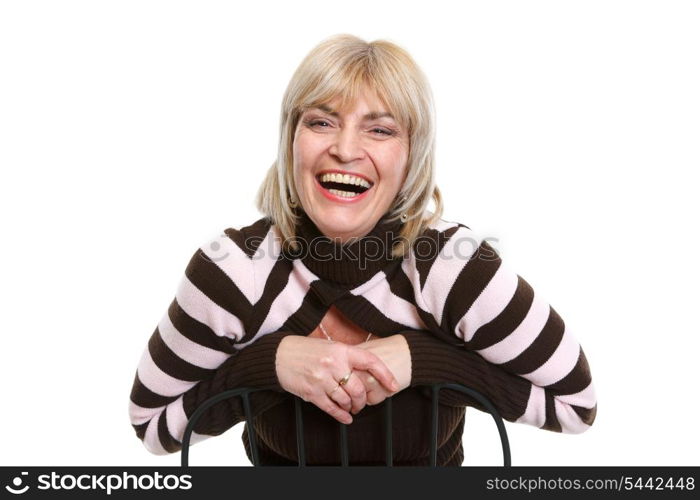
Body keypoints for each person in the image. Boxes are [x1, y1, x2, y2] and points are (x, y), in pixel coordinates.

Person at [128, 34, 597, 466]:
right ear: (292, 139)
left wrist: (422, 360)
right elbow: (152, 426)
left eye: (380, 130)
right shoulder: (235, 270)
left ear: (412, 155)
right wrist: (269, 364)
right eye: (321, 121)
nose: (345, 149)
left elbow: (576, 406)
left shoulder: (452, 268)